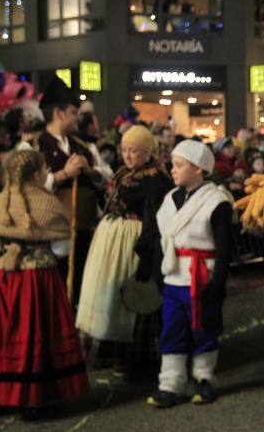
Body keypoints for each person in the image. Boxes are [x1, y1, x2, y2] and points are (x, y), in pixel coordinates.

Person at [0, 150, 88, 417]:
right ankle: (35, 397)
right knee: (35, 334)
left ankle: (3, 395)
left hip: (2, 276)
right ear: (37, 175)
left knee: (4, 334)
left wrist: (8, 247)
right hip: (36, 278)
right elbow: (62, 248)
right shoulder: (48, 203)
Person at [76, 125, 173, 374]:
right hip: (112, 239)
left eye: (134, 151)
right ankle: (110, 353)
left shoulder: (157, 179)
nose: (128, 155)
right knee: (109, 293)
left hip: (133, 240)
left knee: (132, 297)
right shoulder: (124, 173)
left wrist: (146, 252)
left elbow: (155, 219)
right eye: (125, 150)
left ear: (148, 151)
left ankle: (135, 359)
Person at [148, 140, 233, 408]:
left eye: (179, 165)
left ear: (198, 169)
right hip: (174, 277)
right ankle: (170, 383)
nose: (173, 170)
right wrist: (159, 273)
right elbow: (162, 240)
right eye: (173, 165)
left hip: (202, 277)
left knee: (203, 329)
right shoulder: (170, 199)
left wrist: (218, 281)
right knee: (172, 329)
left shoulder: (217, 201)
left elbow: (225, 247)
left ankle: (203, 378)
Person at [38, 76, 102, 307]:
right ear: (59, 114)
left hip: (84, 228)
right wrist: (63, 174)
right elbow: (27, 189)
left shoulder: (84, 147)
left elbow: (105, 177)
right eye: (73, 112)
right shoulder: (34, 147)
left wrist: (89, 170)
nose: (77, 118)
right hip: (51, 231)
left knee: (81, 288)